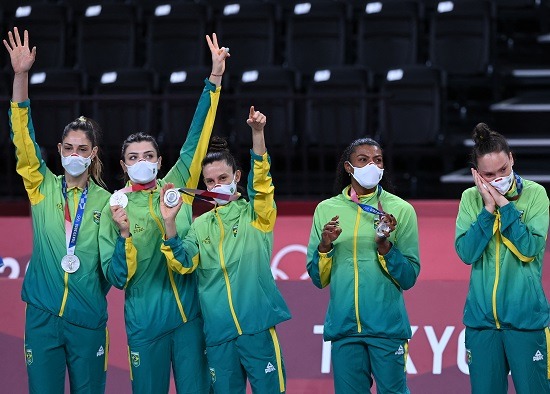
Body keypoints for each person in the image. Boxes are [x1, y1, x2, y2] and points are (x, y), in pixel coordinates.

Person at [98, 33, 228, 393]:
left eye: (149, 156)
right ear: (123, 166)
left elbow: (198, 135)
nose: (143, 162)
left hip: (189, 318)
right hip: (145, 324)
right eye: (134, 157)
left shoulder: (177, 186)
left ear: (160, 161)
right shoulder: (114, 206)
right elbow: (117, 278)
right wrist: (123, 235)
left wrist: (214, 79)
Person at [4, 28, 111, 392]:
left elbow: (112, 269)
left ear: (93, 154)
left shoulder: (109, 203)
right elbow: (22, 134)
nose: (74, 155)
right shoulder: (41, 186)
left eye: (83, 149)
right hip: (43, 317)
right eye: (68, 148)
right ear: (60, 150)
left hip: (88, 319)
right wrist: (21, 75)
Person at [160, 106, 291, 394]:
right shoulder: (199, 225)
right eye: (209, 181)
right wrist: (170, 224)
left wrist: (258, 134)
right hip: (219, 336)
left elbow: (263, 184)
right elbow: (183, 263)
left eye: (222, 179)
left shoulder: (257, 215)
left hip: (257, 329)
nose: (216, 185)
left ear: (237, 177)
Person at [306, 137, 420, 394]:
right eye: (364, 160)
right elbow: (318, 278)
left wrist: (384, 246)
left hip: (387, 328)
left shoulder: (401, 211)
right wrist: (325, 246)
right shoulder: (326, 210)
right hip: (345, 329)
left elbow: (409, 276)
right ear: (348, 167)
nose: (372, 165)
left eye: (377, 160)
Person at [455, 123, 550, 393]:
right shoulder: (469, 199)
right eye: (488, 175)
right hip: (481, 322)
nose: (498, 179)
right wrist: (487, 211)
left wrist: (505, 207)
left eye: (503, 170)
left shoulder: (535, 195)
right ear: (476, 174)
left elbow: (530, 248)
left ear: (512, 159)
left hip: (526, 320)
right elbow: (466, 252)